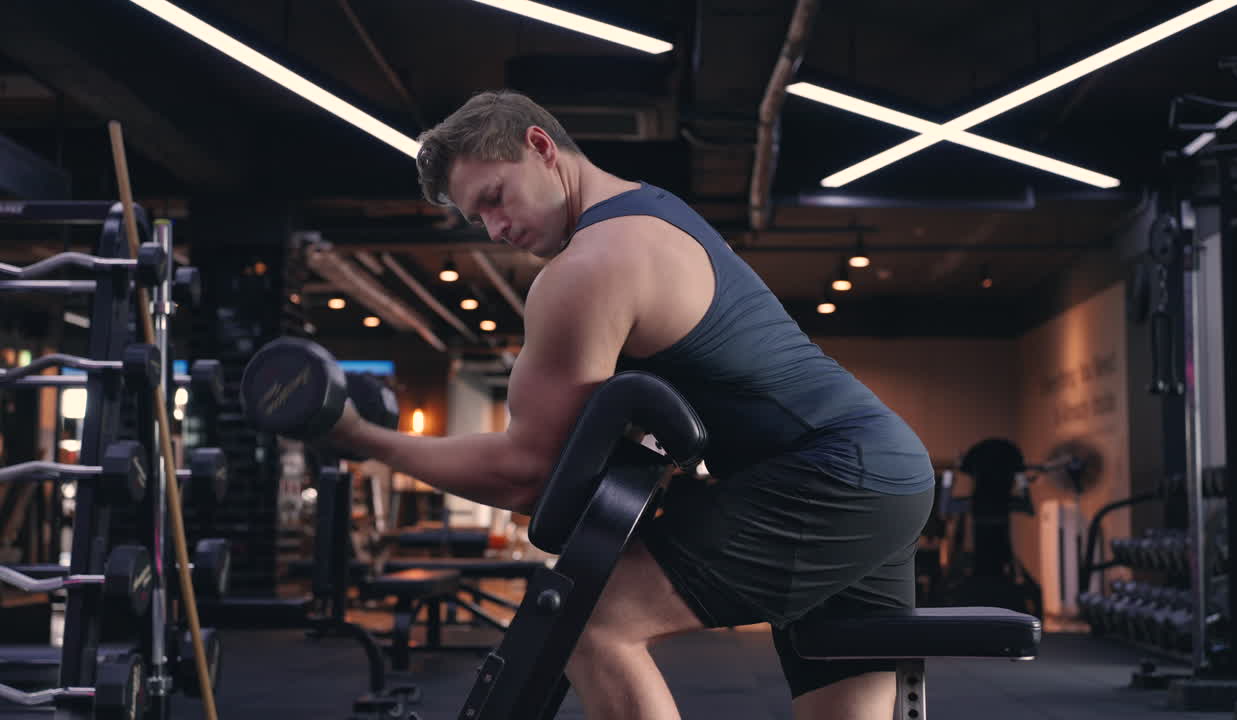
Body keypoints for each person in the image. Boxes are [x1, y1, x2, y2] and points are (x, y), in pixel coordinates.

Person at [328, 89, 936, 720]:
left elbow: (526, 473)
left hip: (831, 477)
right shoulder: (658, 212)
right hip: (886, 469)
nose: (496, 229)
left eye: (495, 198)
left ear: (541, 147)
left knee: (585, 625)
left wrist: (360, 435)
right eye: (477, 219)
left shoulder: (588, 268)